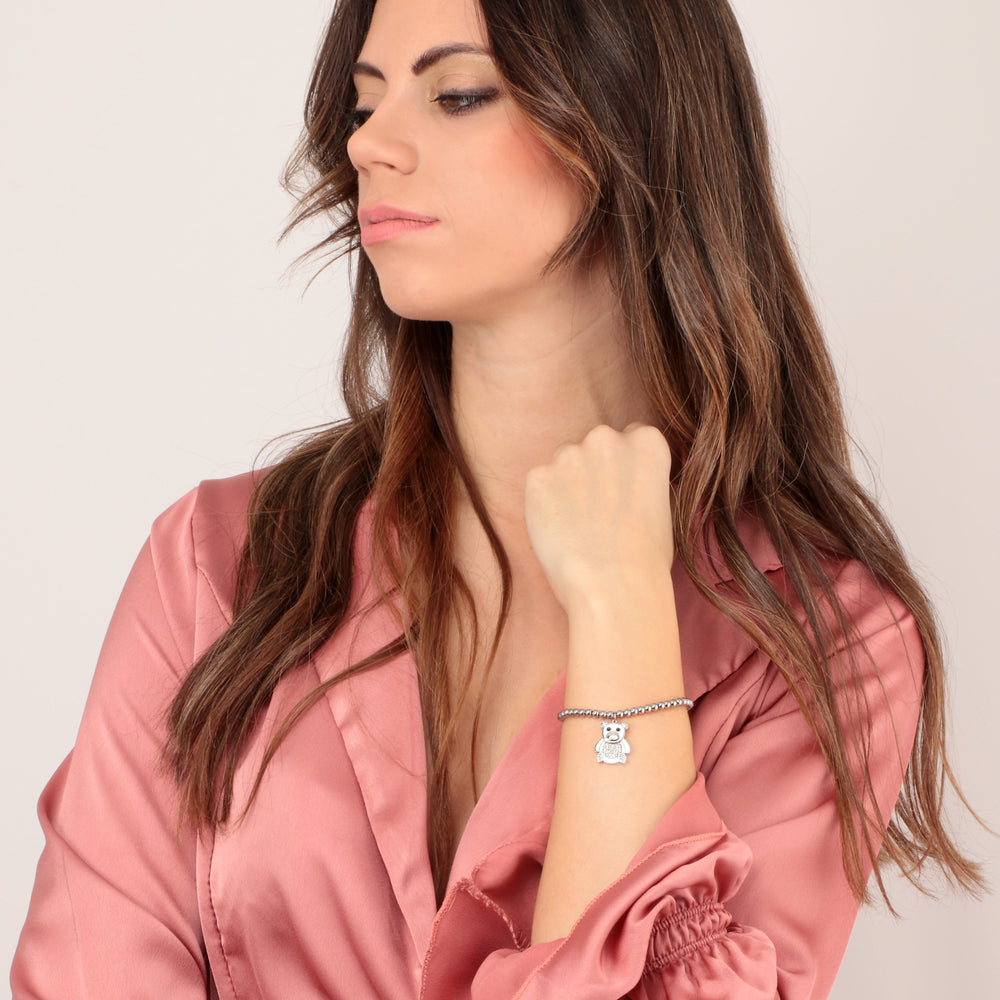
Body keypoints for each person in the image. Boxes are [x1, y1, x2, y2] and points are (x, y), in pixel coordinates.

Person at [10, 0, 986, 997]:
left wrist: (623, 620)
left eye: (459, 94)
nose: (370, 145)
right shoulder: (217, 562)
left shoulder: (828, 640)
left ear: (626, 119)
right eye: (364, 104)